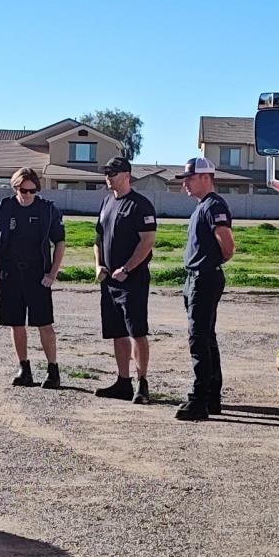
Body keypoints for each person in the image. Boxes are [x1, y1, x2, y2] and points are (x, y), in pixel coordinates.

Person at [0, 169, 67, 389]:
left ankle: (53, 370)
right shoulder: (2, 209)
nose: (28, 194)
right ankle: (24, 368)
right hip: (10, 275)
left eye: (33, 190)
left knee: (44, 324)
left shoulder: (48, 210)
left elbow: (60, 243)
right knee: (16, 323)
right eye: (24, 190)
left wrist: (52, 273)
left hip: (37, 275)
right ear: (15, 188)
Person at [174, 155, 235, 420]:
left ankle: (199, 400)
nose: (185, 183)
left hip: (205, 277)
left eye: (189, 178)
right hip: (197, 277)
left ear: (205, 177)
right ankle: (211, 397)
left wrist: (210, 265)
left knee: (199, 338)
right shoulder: (203, 205)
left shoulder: (213, 206)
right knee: (205, 337)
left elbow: (227, 245)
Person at [94, 157, 157, 403]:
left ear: (127, 175)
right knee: (117, 332)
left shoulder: (140, 205)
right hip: (110, 280)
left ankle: (142, 384)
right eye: (106, 173)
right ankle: (123, 382)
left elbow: (147, 242)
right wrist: (99, 264)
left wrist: (127, 269)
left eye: (113, 172)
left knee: (136, 332)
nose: (108, 177)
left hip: (133, 280)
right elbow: (98, 240)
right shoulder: (107, 202)